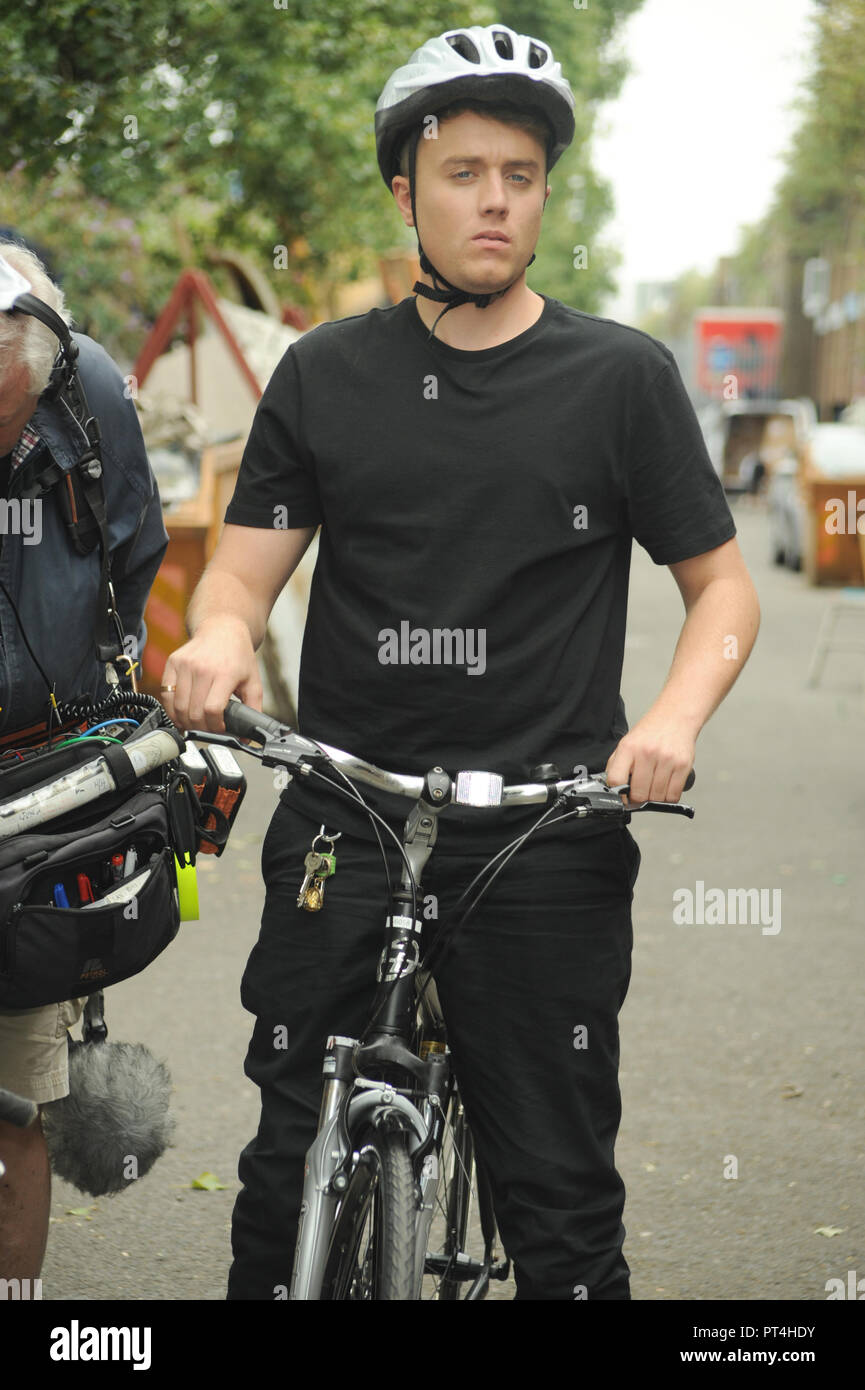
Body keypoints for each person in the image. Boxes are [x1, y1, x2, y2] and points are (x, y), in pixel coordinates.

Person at [161, 22, 760, 1300]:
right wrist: (217, 632)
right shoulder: (324, 374)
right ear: (405, 188)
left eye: (520, 175)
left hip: (545, 823)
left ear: (545, 194)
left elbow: (720, 590)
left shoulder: (619, 378)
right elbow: (238, 573)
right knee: (281, 1184)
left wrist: (671, 717)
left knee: (559, 1213)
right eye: (462, 171)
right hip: (348, 807)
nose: (494, 199)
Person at [0, 239, 169, 1287]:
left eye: (10, 406)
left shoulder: (84, 386)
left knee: (17, 1091)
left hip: (34, 781)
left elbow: (132, 547)